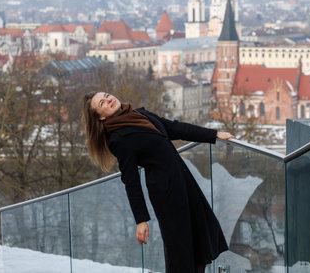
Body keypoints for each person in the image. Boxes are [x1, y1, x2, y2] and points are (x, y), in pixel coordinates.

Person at [83, 91, 234, 273]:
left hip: (184, 183)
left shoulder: (140, 114)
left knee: (198, 244)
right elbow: (131, 180)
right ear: (101, 116)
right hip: (167, 194)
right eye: (102, 103)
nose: (108, 100)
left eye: (107, 96)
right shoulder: (119, 138)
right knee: (181, 251)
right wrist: (141, 220)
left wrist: (214, 134)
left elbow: (175, 128)